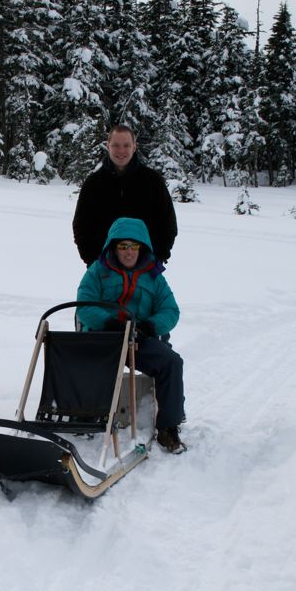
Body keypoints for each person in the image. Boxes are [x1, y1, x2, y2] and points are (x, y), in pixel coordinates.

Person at [77, 216, 185, 453]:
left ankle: (168, 427)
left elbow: (171, 311)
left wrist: (151, 326)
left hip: (139, 339)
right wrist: (107, 321)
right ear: (113, 247)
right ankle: (81, 416)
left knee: (172, 362)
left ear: (142, 247)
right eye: (122, 246)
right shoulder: (98, 271)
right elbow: (83, 307)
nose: (128, 252)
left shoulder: (155, 276)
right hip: (104, 339)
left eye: (133, 246)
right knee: (74, 358)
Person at [73, 124, 177, 267]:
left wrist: (157, 258)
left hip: (145, 269)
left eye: (126, 145)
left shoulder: (152, 181)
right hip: (104, 268)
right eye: (116, 145)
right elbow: (81, 226)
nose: (121, 150)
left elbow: (168, 224)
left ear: (134, 147)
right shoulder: (93, 183)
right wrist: (93, 261)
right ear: (108, 146)